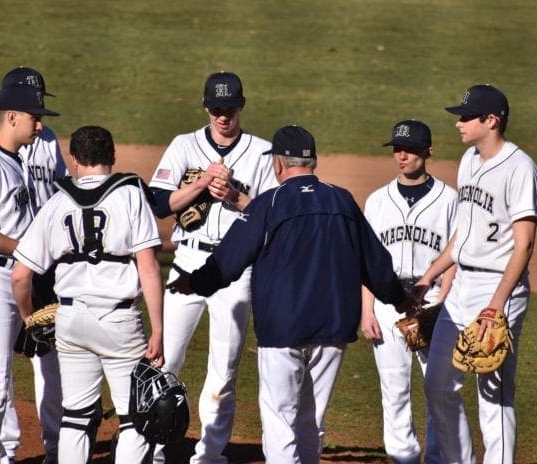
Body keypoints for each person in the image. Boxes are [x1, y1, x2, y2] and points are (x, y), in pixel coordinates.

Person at [167, 125, 419, 464]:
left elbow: (228, 262)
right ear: (312, 161)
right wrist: (400, 299)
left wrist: (194, 283)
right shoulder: (342, 200)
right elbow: (375, 263)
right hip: (333, 328)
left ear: (278, 164)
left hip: (282, 330)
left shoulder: (268, 204)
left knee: (280, 423)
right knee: (310, 422)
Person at [10, 125, 164, 464]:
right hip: (118, 321)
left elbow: (20, 274)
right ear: (112, 156)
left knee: (76, 416)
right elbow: (149, 266)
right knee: (134, 417)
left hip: (70, 319)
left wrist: (30, 319)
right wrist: (159, 329)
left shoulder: (56, 202)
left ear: (74, 160)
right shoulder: (130, 195)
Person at [147, 71, 277, 463]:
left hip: (235, 269)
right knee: (165, 359)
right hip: (187, 260)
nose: (224, 116)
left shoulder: (262, 151)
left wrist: (237, 197)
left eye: (231, 108)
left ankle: (209, 454)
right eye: (217, 108)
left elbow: (273, 215)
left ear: (242, 106)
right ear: (206, 107)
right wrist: (202, 185)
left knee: (223, 369)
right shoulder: (183, 145)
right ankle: (154, 446)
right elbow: (158, 202)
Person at [415, 84, 537, 464]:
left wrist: (495, 307)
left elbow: (524, 245)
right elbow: (463, 234)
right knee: (437, 383)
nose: (459, 123)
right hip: (462, 285)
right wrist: (429, 276)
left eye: (467, 117)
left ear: (492, 120)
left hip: (500, 288)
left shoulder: (521, 168)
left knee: (494, 392)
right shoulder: (469, 159)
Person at [0, 66, 66, 464]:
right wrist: (26, 250)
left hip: (10, 275)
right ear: (12, 116)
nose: (40, 125)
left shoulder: (14, 160)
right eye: (35, 117)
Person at [360, 120, 458, 464]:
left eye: (410, 149)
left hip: (432, 303)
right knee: (394, 389)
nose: (402, 156)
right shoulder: (377, 201)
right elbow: (367, 261)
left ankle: (436, 457)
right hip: (388, 301)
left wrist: (443, 302)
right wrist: (367, 310)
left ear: (428, 152)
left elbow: (455, 255)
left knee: (439, 390)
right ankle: (402, 457)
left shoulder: (449, 199)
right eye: (397, 149)